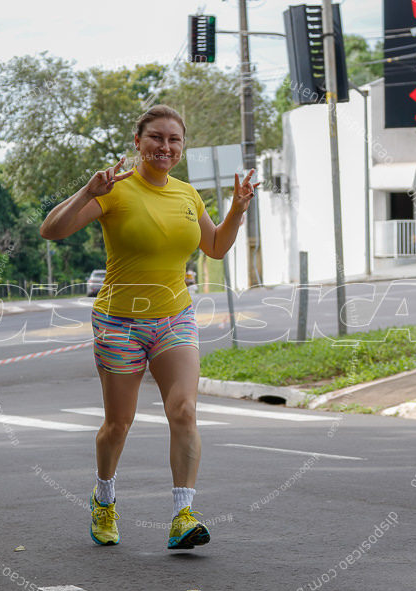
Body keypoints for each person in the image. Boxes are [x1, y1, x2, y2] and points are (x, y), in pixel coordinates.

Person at [40, 104, 258, 550]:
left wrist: (236, 208)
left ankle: (183, 516)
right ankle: (104, 497)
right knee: (118, 424)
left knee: (184, 410)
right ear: (138, 142)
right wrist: (86, 192)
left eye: (174, 139)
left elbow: (215, 246)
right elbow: (51, 231)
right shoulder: (115, 191)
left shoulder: (187, 195)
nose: (165, 146)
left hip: (174, 316)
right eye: (156, 138)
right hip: (118, 321)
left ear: (182, 147)